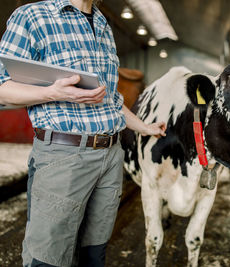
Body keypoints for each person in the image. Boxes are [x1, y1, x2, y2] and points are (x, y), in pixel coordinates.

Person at [0, 0, 166, 266]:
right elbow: (2, 87)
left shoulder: (102, 25)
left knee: (94, 253)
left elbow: (110, 100)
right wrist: (52, 92)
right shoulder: (33, 16)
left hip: (111, 157)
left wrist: (146, 127)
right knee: (49, 257)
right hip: (64, 155)